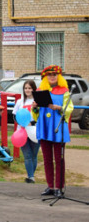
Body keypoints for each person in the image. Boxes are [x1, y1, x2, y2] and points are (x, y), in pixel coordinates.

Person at [32, 65, 73, 198]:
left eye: (54, 74)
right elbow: (35, 115)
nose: (52, 77)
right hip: (44, 127)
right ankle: (50, 186)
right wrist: (35, 108)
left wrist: (59, 107)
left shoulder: (65, 91)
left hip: (58, 127)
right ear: (45, 77)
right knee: (47, 159)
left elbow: (69, 108)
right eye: (49, 75)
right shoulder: (40, 90)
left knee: (59, 159)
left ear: (59, 76)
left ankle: (59, 187)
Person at [13, 80, 39, 183]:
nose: (27, 90)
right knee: (27, 155)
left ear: (33, 89)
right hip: (22, 132)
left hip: (35, 131)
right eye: (25, 88)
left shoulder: (37, 101)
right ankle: (31, 177)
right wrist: (22, 123)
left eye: (29, 88)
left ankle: (31, 175)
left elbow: (40, 116)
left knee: (34, 155)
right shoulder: (20, 101)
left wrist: (31, 123)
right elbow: (15, 115)